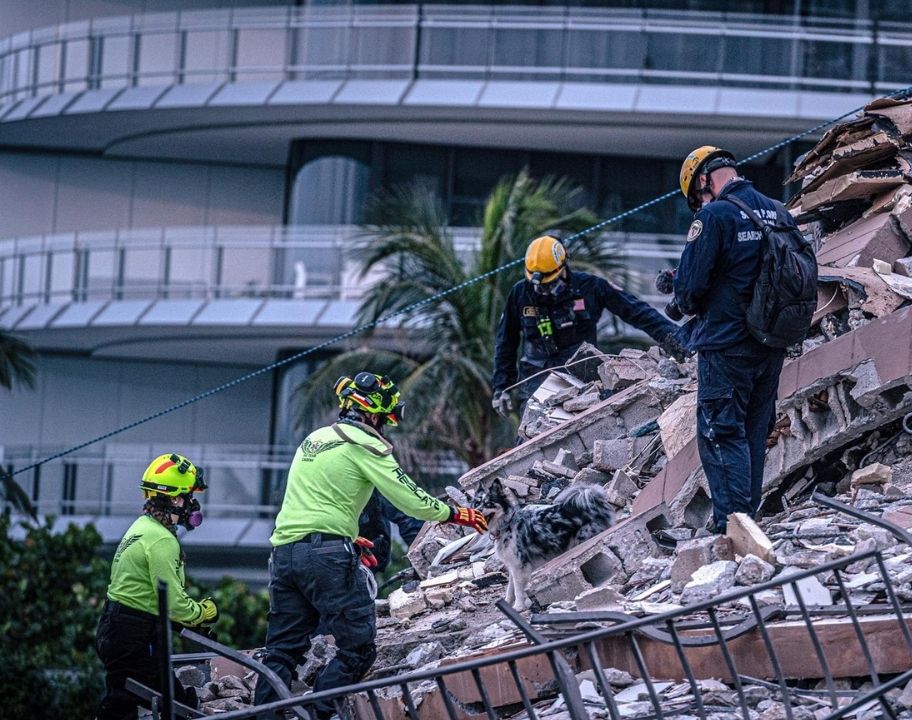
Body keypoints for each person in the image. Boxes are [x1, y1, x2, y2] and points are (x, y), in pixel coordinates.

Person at [254, 372, 488, 717]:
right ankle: (317, 715)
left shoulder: (314, 440)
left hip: (285, 555)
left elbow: (315, 502)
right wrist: (455, 513)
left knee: (283, 650)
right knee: (358, 649)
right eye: (385, 418)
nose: (385, 426)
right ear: (373, 413)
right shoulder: (366, 445)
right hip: (326, 556)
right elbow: (410, 500)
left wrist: (346, 536)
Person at [669, 146, 790, 535]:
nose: (699, 203)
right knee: (753, 433)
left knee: (721, 433)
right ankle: (748, 524)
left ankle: (731, 527)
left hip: (726, 344)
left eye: (697, 196)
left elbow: (689, 291)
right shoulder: (776, 210)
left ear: (704, 179)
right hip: (770, 343)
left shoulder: (715, 215)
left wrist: (679, 290)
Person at [491, 233, 686, 416]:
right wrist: (502, 387)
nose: (544, 290)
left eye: (550, 284)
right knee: (531, 432)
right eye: (539, 286)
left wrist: (676, 338)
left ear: (563, 268)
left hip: (581, 374)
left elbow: (637, 312)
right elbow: (506, 341)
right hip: (536, 375)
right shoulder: (521, 293)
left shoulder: (591, 288)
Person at [96, 453, 217, 719]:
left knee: (163, 698)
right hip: (134, 634)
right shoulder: (162, 541)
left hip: (117, 626)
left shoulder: (142, 527)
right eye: (188, 496)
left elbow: (148, 595)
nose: (192, 504)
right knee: (133, 705)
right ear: (174, 499)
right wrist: (203, 613)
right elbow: (173, 603)